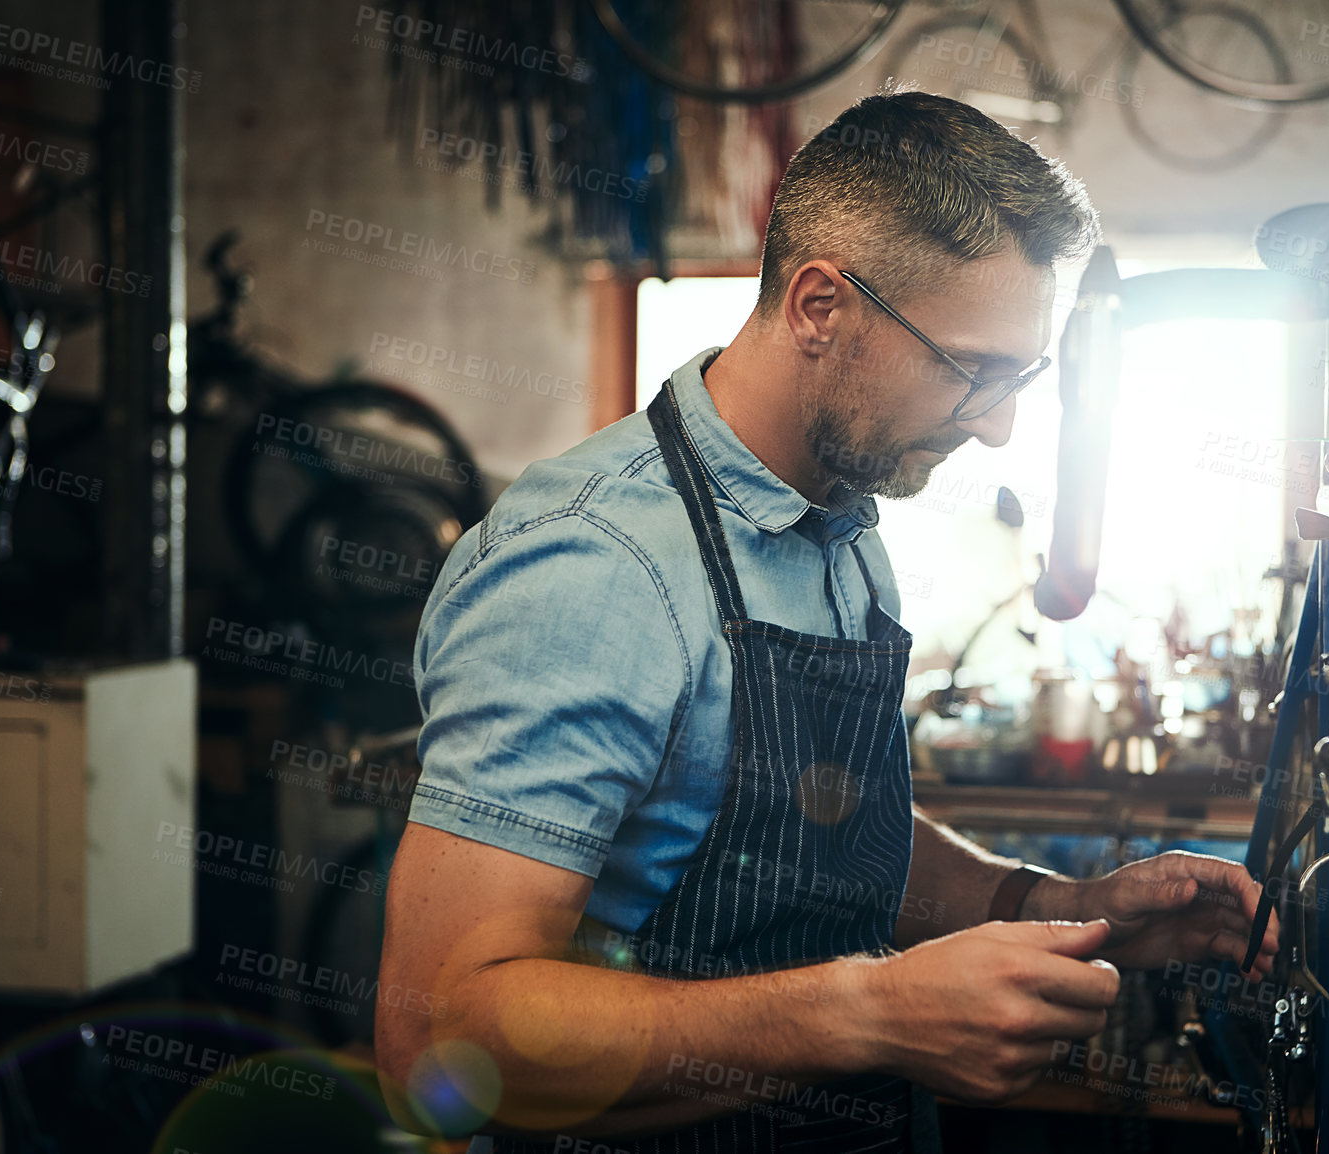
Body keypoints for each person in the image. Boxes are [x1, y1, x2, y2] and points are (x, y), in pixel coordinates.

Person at [375, 88, 1278, 1153]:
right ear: (817, 307)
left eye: (1019, 376)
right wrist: (871, 1009)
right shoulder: (593, 565)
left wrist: (1053, 903)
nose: (997, 427)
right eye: (970, 370)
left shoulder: (841, 517)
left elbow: (830, 842)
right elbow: (438, 1041)